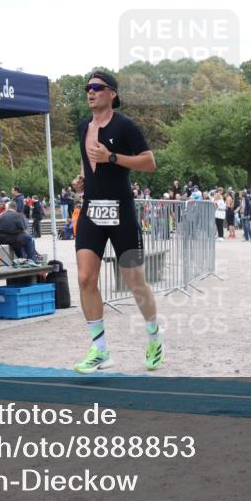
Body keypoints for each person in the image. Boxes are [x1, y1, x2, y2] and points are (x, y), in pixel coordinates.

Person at [71, 70, 162, 374]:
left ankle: (154, 337)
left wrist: (112, 157)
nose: (90, 92)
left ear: (112, 93)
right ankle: (100, 351)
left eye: (96, 88)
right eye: (87, 88)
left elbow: (149, 163)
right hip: (92, 212)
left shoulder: (125, 126)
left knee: (135, 282)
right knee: (85, 278)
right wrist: (83, 179)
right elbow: (90, 162)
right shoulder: (83, 127)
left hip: (122, 213)